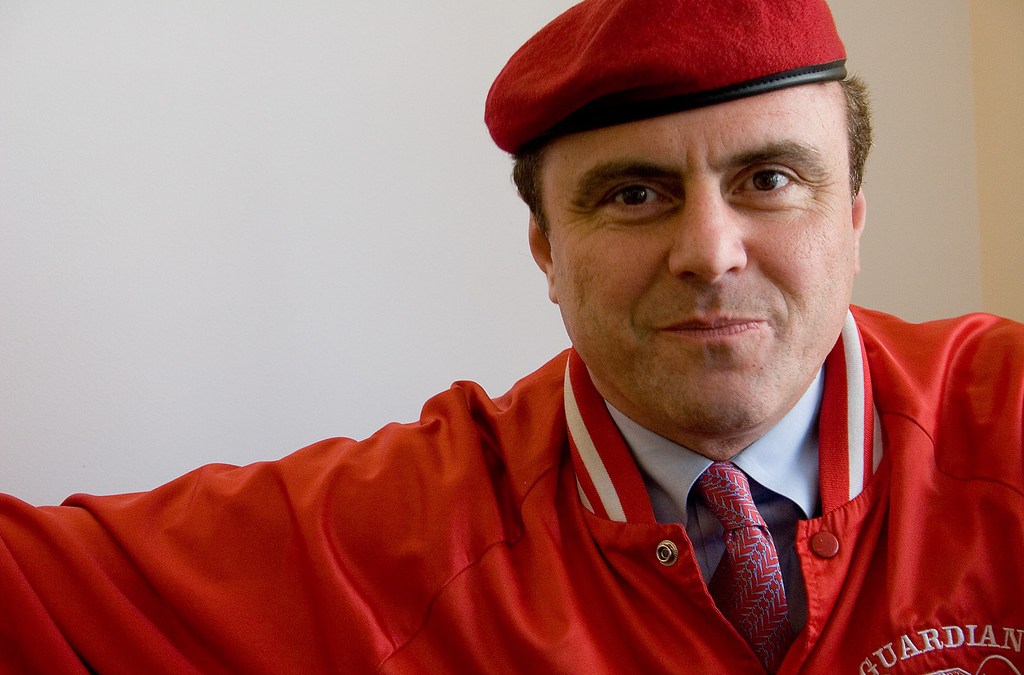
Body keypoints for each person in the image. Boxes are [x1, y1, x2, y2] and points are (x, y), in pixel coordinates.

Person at [1, 0, 1022, 673]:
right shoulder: (400, 533)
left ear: (852, 220)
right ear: (546, 250)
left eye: (768, 179)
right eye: (633, 195)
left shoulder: (1004, 422)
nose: (709, 253)